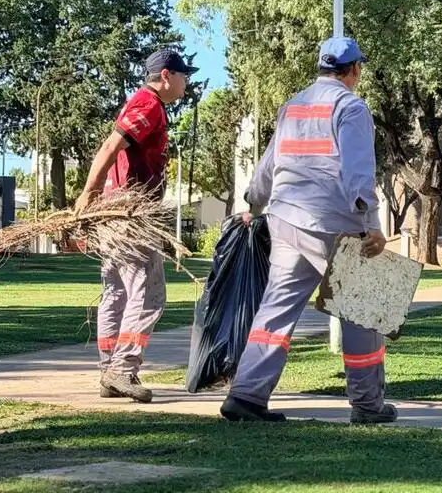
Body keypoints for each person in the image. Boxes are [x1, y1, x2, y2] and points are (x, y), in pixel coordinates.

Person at [220, 36, 396, 425]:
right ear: (354, 70)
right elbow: (357, 173)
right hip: (333, 223)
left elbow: (269, 164)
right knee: (361, 310)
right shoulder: (351, 107)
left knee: (276, 308)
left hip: (285, 219)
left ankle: (246, 395)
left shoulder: (293, 106)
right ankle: (368, 405)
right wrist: (370, 225)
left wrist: (254, 201)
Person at [74, 48, 197, 401]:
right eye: (182, 75)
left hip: (117, 212)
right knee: (148, 295)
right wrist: (89, 191)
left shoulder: (143, 103)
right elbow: (111, 145)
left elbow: (113, 145)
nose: (186, 82)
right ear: (166, 76)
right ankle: (122, 369)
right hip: (129, 214)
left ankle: (108, 371)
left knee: (116, 291)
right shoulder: (148, 105)